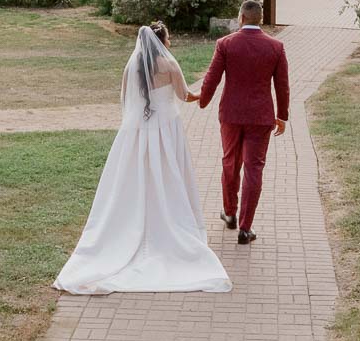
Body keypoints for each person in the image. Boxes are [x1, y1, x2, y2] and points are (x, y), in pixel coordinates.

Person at [53, 22, 231, 295]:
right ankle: (168, 222)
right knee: (169, 175)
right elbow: (184, 95)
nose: (170, 42)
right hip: (166, 130)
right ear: (162, 42)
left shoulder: (131, 67)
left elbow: (126, 100)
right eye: (168, 38)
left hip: (136, 133)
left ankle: (133, 222)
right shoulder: (169, 65)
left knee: (135, 177)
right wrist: (205, 94)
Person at [198, 0, 289, 245]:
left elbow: (212, 77)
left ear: (240, 18)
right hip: (260, 117)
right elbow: (282, 85)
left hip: (231, 114)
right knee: (254, 169)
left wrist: (203, 100)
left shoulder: (225, 44)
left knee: (230, 161)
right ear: (260, 19)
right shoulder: (276, 47)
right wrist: (282, 115)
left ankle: (230, 213)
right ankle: (245, 228)